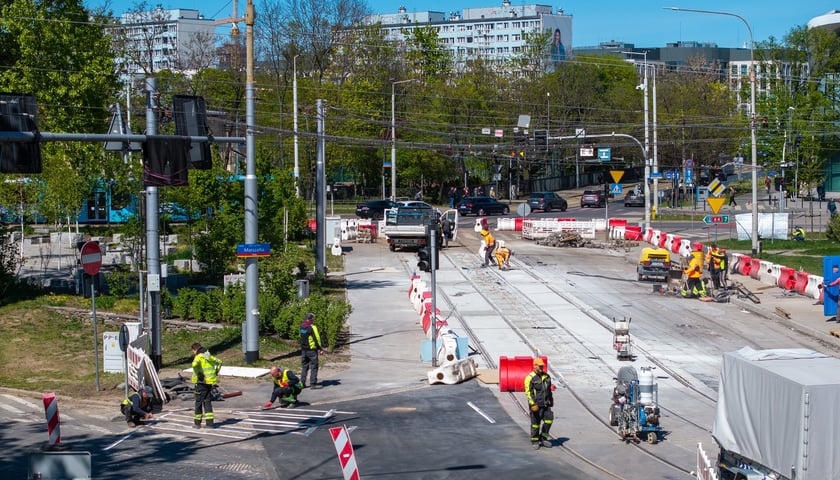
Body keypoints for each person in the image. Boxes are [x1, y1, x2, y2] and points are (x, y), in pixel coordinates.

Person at [524, 357, 554, 449]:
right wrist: (533, 403)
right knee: (535, 424)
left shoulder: (547, 376)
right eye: (540, 366)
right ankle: (535, 440)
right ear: (535, 366)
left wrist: (551, 400)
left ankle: (543, 438)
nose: (542, 368)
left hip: (546, 404)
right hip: (536, 405)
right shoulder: (530, 378)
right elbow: (528, 392)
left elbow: (548, 390)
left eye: (542, 366)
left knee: (549, 420)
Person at [191, 342, 222, 428]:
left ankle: (197, 423)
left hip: (200, 382)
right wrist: (216, 372)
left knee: (198, 403)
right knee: (207, 402)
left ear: (195, 350)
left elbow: (194, 364)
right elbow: (219, 362)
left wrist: (198, 373)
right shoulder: (208, 355)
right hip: (209, 382)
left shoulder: (199, 356)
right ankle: (210, 423)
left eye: (193, 351)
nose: (193, 353)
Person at [300, 313, 325, 388]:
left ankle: (302, 383)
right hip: (311, 350)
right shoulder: (312, 327)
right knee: (314, 366)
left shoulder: (302, 326)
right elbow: (316, 338)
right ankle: (313, 383)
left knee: (304, 366)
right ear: (311, 319)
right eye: (313, 319)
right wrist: (320, 348)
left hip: (303, 350)